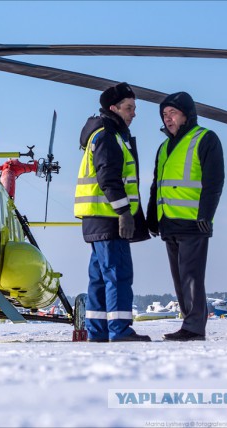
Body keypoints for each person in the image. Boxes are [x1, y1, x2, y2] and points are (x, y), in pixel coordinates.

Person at [74, 82, 151, 343]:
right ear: (113, 108)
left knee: (98, 277)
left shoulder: (100, 133)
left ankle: (98, 330)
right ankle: (120, 329)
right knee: (118, 274)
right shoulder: (108, 135)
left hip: (95, 219)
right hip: (108, 218)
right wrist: (124, 212)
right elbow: (108, 177)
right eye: (129, 108)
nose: (133, 113)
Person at [146, 92, 225, 342]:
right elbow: (156, 185)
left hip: (193, 221)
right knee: (180, 279)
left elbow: (214, 180)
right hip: (168, 220)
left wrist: (206, 214)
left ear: (187, 115)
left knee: (191, 276)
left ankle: (194, 327)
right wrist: (151, 216)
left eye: (173, 113)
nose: (168, 119)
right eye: (164, 114)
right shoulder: (163, 147)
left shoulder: (205, 139)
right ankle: (188, 322)